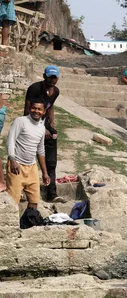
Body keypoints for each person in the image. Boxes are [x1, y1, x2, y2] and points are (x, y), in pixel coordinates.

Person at [24, 66, 63, 203]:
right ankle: (25, 191)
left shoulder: (55, 91)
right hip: (31, 124)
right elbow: (28, 110)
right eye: (50, 77)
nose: (52, 80)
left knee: (51, 161)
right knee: (28, 159)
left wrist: (51, 124)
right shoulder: (35, 88)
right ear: (44, 76)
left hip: (44, 124)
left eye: (54, 77)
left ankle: (51, 193)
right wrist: (40, 128)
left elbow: (50, 106)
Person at [5, 98, 51, 209]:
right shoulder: (20, 121)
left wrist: (45, 173)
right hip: (17, 166)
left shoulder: (41, 128)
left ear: (44, 111)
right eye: (34, 108)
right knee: (13, 202)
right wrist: (12, 160)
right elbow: (10, 141)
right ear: (30, 109)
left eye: (39, 109)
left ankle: (30, 224)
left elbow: (40, 150)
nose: (36, 111)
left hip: (32, 167)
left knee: (34, 201)